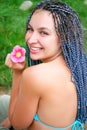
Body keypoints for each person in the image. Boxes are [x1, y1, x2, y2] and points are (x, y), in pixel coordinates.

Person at [1, 0, 87, 129]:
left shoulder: (35, 76)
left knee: (2, 101)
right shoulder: (81, 68)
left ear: (64, 38)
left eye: (43, 33)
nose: (30, 39)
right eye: (30, 29)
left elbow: (18, 125)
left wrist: (18, 73)